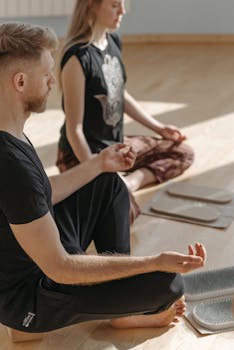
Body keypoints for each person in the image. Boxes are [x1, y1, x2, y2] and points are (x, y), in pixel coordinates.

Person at [0, 22, 206, 338]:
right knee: (169, 282)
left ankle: (122, 306)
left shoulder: (10, 131)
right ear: (20, 81)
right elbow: (61, 269)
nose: (53, 82)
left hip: (35, 254)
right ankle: (28, 325)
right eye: (46, 75)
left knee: (108, 183)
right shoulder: (10, 164)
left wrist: (98, 164)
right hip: (30, 296)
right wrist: (152, 262)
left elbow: (38, 196)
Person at [56, 0, 195, 223]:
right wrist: (96, 168)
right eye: (114, 5)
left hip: (116, 147)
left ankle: (131, 182)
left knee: (182, 152)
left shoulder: (112, 40)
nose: (122, 11)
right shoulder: (77, 59)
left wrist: (159, 127)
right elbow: (75, 130)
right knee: (123, 214)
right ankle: (109, 187)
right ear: (91, 5)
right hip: (82, 156)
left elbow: (119, 94)